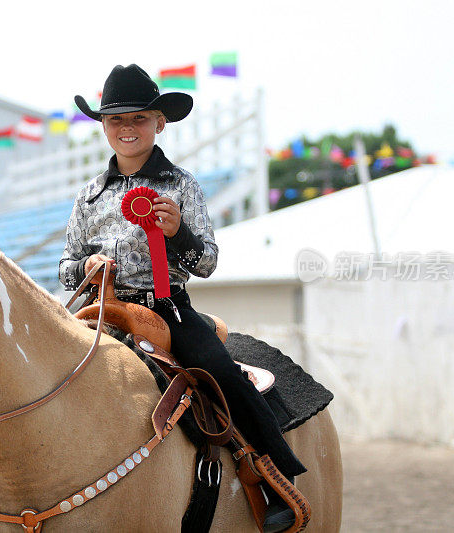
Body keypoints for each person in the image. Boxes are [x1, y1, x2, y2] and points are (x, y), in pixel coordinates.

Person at [60, 64, 305, 532]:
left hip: (168, 310)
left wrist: (178, 233)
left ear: (159, 122)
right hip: (102, 312)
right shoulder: (88, 195)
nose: (127, 128)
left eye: (138, 118)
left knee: (223, 375)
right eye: (116, 120)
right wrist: (87, 268)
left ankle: (276, 477)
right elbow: (66, 265)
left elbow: (207, 262)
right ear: (104, 128)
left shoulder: (182, 185)